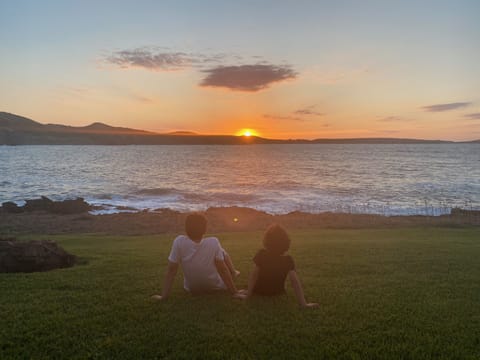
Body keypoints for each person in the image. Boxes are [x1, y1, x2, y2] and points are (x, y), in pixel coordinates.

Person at [152, 213, 242, 300]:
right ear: (205, 229)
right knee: (222, 252)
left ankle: (234, 272)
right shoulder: (213, 241)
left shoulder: (179, 241)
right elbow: (222, 270)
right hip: (215, 286)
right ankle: (234, 272)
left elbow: (171, 270)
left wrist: (163, 296)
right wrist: (235, 292)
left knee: (221, 252)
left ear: (186, 228)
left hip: (191, 288)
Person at [240, 224, 318, 307]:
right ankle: (245, 291)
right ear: (286, 242)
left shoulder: (261, 254)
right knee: (242, 290)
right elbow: (295, 282)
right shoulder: (288, 260)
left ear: (267, 241)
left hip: (259, 291)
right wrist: (304, 304)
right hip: (277, 292)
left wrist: (248, 294)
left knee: (241, 290)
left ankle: (245, 291)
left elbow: (254, 275)